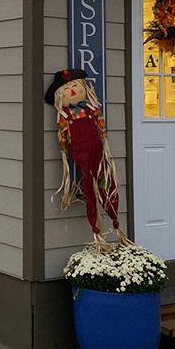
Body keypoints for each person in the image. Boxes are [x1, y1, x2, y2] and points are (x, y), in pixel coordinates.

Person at [45, 68, 128, 250]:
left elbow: (100, 126)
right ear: (60, 95)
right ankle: (97, 231)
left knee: (107, 182)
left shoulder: (91, 109)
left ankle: (115, 221)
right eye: (67, 88)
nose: (73, 90)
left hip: (98, 150)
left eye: (76, 85)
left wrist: (104, 139)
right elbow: (63, 135)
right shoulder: (65, 115)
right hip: (80, 154)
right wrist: (63, 148)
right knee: (89, 189)